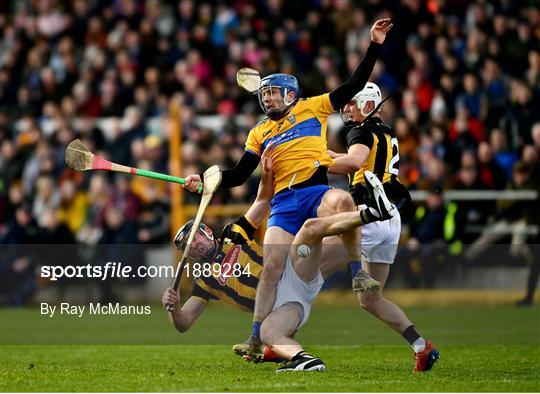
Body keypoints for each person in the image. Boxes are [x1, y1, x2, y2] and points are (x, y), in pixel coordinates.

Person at [183, 18, 394, 359]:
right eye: (263, 94)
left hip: (314, 191)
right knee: (271, 267)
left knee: (341, 200)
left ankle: (358, 273)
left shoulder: (315, 107)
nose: (267, 99)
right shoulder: (259, 131)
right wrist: (206, 180)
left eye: (272, 93)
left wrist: (375, 44)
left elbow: (353, 83)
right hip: (283, 203)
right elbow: (238, 174)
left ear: (291, 94)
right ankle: (254, 337)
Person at [163, 153, 392, 368]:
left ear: (207, 231)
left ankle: (372, 215)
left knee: (324, 236)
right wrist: (173, 308)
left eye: (195, 238)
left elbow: (262, 201)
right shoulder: (204, 281)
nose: (195, 246)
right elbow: (184, 323)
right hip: (280, 308)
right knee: (268, 333)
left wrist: (267, 174)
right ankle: (304, 360)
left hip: (290, 270)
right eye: (188, 246)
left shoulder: (233, 232)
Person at [327, 82, 439, 372]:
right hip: (391, 218)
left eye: (352, 103)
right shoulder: (384, 131)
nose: (346, 108)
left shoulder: (360, 131)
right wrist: (329, 154)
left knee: (304, 264)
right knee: (370, 299)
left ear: (367, 104)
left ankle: (282, 342)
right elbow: (362, 162)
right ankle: (421, 345)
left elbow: (355, 162)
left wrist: (314, 162)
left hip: (368, 215)